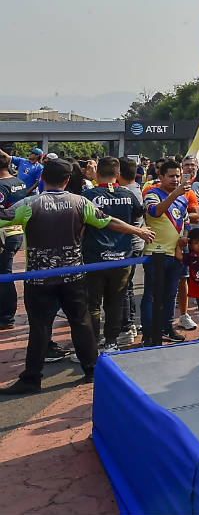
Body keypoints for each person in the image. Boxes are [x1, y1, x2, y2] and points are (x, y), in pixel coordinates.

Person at [0, 159, 154, 394]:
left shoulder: (31, 204)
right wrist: (137, 230)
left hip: (40, 278)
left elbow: (5, 216)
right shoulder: (80, 202)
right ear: (66, 180)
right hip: (73, 275)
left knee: (40, 328)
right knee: (81, 323)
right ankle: (91, 370)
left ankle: (32, 378)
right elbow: (108, 221)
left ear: (42, 179)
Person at [81, 157, 145, 353]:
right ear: (118, 175)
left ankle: (91, 345)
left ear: (97, 173)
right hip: (122, 258)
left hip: (95, 259)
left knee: (92, 304)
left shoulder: (87, 195)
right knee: (115, 302)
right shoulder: (127, 194)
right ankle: (111, 343)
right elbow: (137, 215)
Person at [141, 160, 190, 346]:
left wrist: (184, 239)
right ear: (160, 177)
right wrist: (176, 194)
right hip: (156, 253)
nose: (176, 179)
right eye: (171, 176)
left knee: (170, 294)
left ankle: (167, 327)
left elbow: (185, 221)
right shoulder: (152, 193)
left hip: (175, 254)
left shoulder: (183, 198)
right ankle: (148, 332)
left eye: (178, 175)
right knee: (152, 295)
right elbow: (154, 212)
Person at [117, 157, 145, 345]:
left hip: (130, 245)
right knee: (127, 287)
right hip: (136, 244)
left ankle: (127, 326)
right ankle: (131, 323)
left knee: (124, 288)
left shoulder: (126, 192)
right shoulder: (137, 189)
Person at [0, 151, 28, 330]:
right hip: (16, 233)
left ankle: (6, 316)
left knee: (4, 275)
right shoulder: (19, 182)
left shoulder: (1, 186)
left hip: (3, 235)